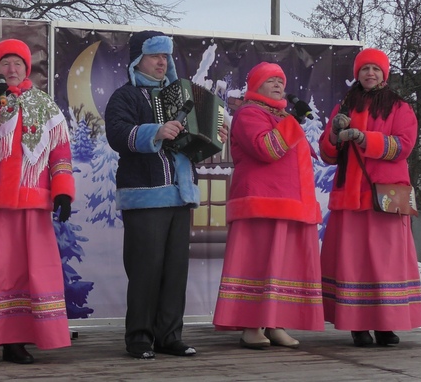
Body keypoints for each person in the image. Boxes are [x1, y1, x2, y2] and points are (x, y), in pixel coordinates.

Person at [105, 30, 228, 359]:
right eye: (155, 55)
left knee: (175, 271)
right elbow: (117, 133)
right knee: (145, 269)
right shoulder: (126, 96)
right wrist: (154, 131)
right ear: (137, 60)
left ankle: (169, 335)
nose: (162, 62)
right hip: (145, 194)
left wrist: (213, 136)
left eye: (165, 56)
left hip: (179, 195)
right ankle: (140, 338)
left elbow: (193, 145)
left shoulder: (181, 95)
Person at [0, 38, 74, 366]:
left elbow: (60, 152)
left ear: (26, 68)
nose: (12, 68)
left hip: (32, 202)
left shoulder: (45, 104)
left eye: (18, 63)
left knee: (25, 273)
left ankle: (17, 341)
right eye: (6, 63)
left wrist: (62, 189)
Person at [213, 62, 324, 349]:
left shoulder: (281, 115)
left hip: (289, 203)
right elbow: (267, 149)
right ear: (256, 86)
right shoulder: (249, 113)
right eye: (270, 80)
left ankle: (275, 324)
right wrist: (292, 123)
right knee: (259, 263)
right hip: (263, 202)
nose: (278, 85)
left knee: (282, 266)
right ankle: (251, 327)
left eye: (280, 80)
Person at [318, 47, 421, 347]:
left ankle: (386, 325)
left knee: (384, 263)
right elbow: (327, 154)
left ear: (384, 74)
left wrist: (366, 139)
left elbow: (404, 145)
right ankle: (358, 324)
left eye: (376, 69)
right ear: (357, 74)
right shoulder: (343, 106)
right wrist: (335, 137)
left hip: (384, 198)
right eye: (365, 69)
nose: (370, 74)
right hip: (351, 197)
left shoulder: (400, 107)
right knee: (356, 263)